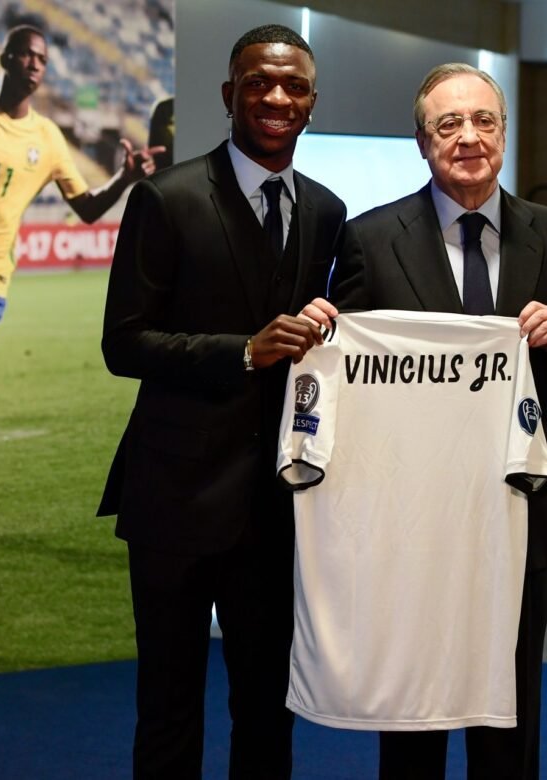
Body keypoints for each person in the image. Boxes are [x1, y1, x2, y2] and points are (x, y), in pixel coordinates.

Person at [308, 62, 547, 779]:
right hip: (410, 523)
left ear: (504, 134)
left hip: (519, 511)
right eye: (448, 124)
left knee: (510, 719)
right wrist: (320, 335)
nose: (468, 137)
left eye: (483, 121)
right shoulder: (370, 238)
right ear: (422, 142)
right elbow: (345, 370)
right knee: (412, 717)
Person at [97, 24, 346, 778]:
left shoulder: (328, 211)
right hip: (173, 496)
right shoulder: (166, 198)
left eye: (294, 86)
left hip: (278, 505)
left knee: (268, 709)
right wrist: (241, 351)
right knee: (169, 707)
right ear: (229, 93)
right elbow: (123, 344)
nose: (276, 97)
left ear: (312, 103)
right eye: (259, 82)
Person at [0, 24, 163, 475]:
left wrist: (124, 179)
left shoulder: (47, 138)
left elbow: (86, 208)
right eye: (27, 54)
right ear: (6, 58)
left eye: (42, 59)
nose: (35, 64)